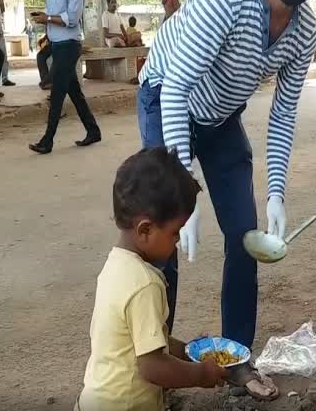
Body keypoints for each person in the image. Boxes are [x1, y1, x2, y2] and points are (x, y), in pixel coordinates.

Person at [137, 0, 316, 399]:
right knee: (165, 237)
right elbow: (178, 86)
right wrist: (181, 194)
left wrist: (278, 195)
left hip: (220, 115)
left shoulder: (305, 28)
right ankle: (159, 367)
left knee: (245, 236)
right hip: (167, 94)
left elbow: (283, 113)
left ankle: (237, 363)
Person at [76, 147, 226, 411]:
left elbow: (149, 339)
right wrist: (202, 375)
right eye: (175, 233)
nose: (177, 241)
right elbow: (153, 366)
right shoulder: (145, 284)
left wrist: (190, 351)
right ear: (145, 230)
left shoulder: (116, 266)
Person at [29, 0, 101, 155]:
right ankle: (93, 130)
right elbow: (51, 15)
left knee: (57, 93)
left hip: (70, 44)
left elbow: (71, 18)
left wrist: (48, 18)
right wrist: (43, 18)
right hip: (56, 43)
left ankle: (47, 140)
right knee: (75, 93)